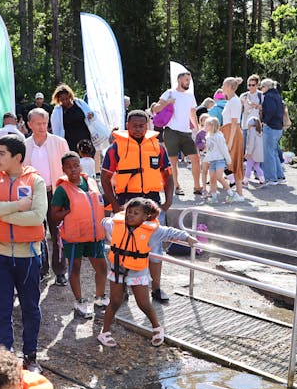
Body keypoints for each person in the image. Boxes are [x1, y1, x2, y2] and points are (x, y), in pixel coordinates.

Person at [0, 134, 47, 372]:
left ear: (17, 157)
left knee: (30, 307)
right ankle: (5, 358)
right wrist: (16, 207)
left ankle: (30, 356)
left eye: (2, 153)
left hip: (28, 255)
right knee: (1, 308)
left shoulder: (36, 181)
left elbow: (37, 217)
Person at [98, 197, 197, 348]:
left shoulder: (152, 231)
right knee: (115, 302)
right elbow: (105, 221)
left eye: (136, 213)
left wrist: (187, 237)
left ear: (146, 217)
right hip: (117, 268)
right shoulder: (117, 224)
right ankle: (104, 332)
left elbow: (170, 232)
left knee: (143, 303)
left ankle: (157, 329)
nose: (130, 215)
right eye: (129, 212)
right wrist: (104, 222)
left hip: (137, 272)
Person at [99, 111, 175, 302]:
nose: (139, 129)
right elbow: (105, 178)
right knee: (123, 245)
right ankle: (122, 288)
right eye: (135, 126)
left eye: (142, 126)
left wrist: (169, 199)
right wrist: (116, 206)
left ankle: (156, 288)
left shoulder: (158, 147)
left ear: (147, 125)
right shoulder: (115, 148)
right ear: (127, 125)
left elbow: (167, 175)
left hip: (152, 203)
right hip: (127, 202)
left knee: (156, 246)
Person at [49, 152, 108, 319]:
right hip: (74, 236)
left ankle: (100, 297)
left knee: (102, 267)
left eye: (76, 165)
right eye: (69, 167)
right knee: (75, 268)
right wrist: (69, 211)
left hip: (94, 234)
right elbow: (54, 215)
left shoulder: (90, 182)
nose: (73, 169)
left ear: (80, 165)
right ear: (63, 169)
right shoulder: (62, 190)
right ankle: (79, 301)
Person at [24, 108, 70, 286]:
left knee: (58, 232)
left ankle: (60, 271)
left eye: (44, 123)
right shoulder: (24, 144)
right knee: (36, 232)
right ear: (29, 124)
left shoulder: (59, 142)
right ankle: (41, 269)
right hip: (33, 193)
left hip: (56, 192)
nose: (42, 127)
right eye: (38, 123)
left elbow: (69, 167)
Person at [152, 69, 201, 196]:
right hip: (171, 131)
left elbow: (192, 113)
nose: (188, 82)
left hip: (186, 132)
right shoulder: (169, 93)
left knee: (195, 158)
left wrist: (198, 129)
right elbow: (156, 109)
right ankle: (176, 186)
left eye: (189, 80)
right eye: (186, 80)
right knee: (173, 161)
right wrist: (168, 102)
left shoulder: (190, 95)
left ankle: (197, 187)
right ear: (179, 80)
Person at [49, 84, 96, 153]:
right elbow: (56, 129)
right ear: (58, 99)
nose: (65, 101)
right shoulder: (57, 111)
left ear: (70, 96)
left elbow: (92, 115)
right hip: (69, 143)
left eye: (66, 98)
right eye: (62, 100)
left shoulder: (80, 104)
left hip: (85, 139)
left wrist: (91, 115)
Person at [259, 78, 286, 185]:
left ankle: (271, 178)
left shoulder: (268, 97)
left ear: (266, 87)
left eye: (262, 87)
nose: (261, 89)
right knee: (274, 152)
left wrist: (264, 121)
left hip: (270, 127)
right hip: (278, 128)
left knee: (268, 153)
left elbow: (270, 110)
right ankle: (280, 176)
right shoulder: (277, 96)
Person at [203, 116, 233, 204]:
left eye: (206, 125)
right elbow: (209, 150)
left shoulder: (219, 137)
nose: (205, 127)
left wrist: (228, 160)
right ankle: (214, 196)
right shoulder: (208, 136)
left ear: (212, 125)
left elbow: (224, 149)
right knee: (212, 179)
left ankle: (231, 193)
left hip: (220, 160)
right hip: (212, 161)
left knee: (219, 177)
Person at [244, 115, 266, 186]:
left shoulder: (252, 131)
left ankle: (245, 181)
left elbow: (251, 143)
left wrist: (248, 153)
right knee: (257, 167)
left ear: (250, 124)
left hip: (252, 153)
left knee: (248, 167)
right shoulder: (259, 131)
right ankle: (262, 180)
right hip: (258, 153)